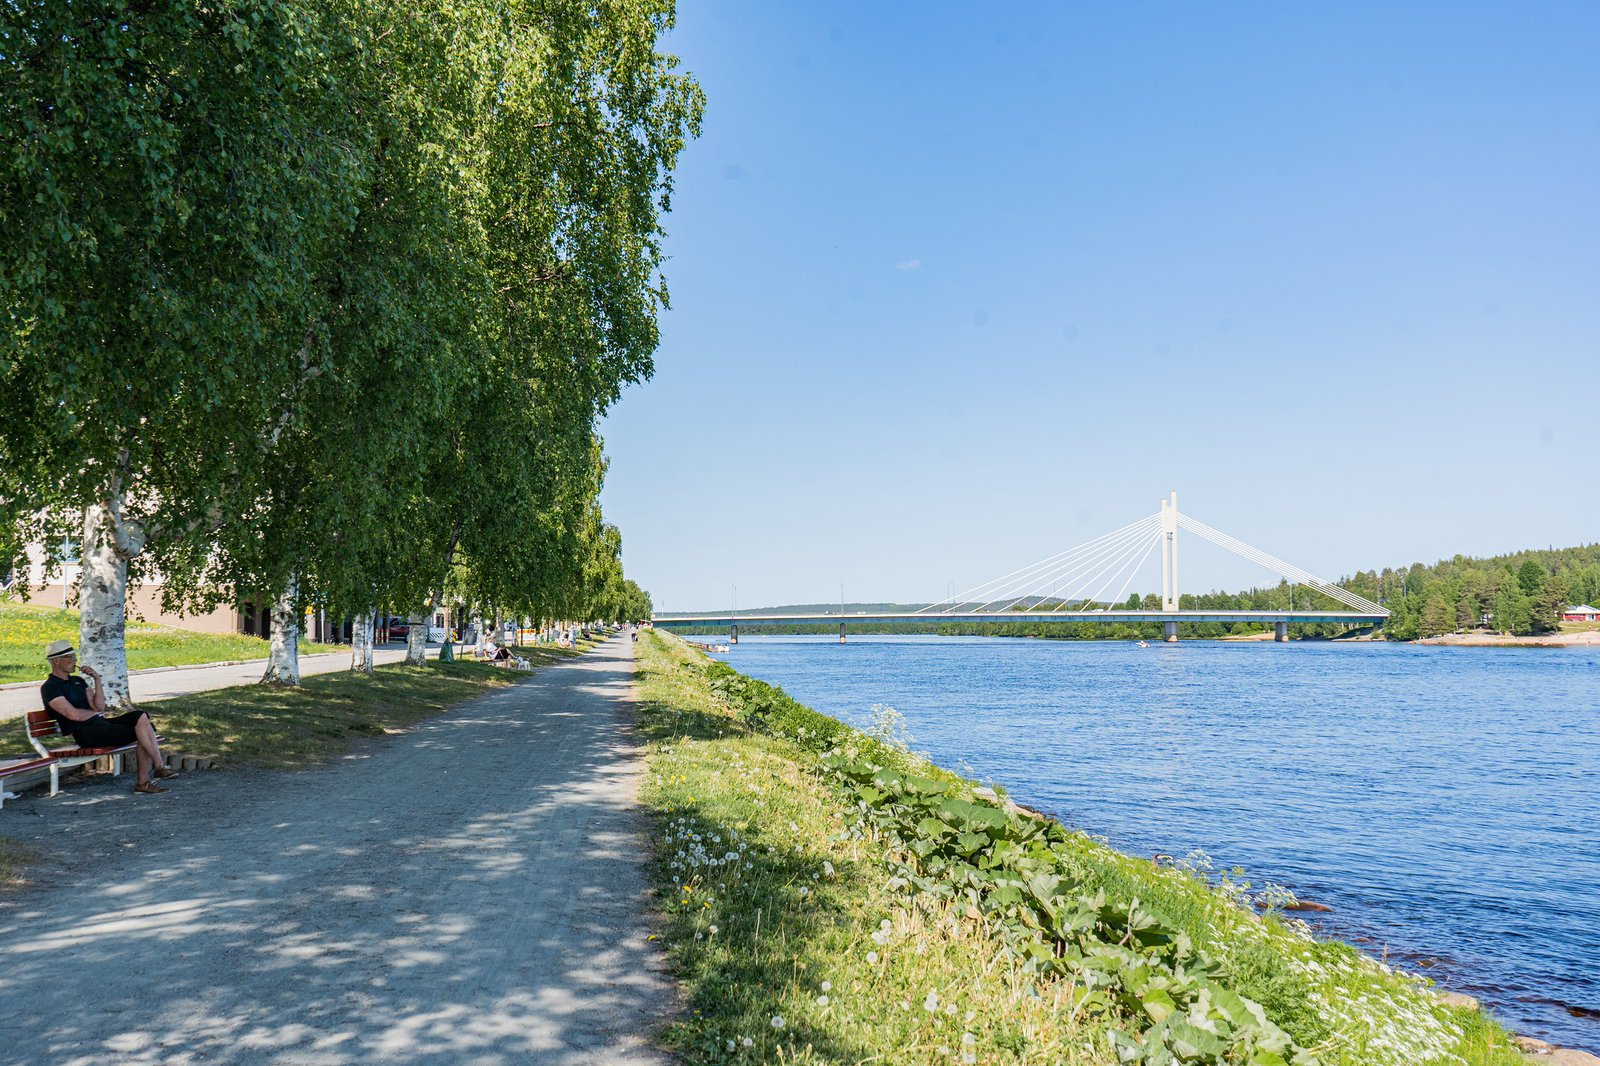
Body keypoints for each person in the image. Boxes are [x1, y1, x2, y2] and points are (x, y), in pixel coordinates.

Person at [40, 639, 177, 795]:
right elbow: (73, 714)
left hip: (101, 725)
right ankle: (144, 781)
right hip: (86, 734)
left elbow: (99, 707)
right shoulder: (50, 688)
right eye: (69, 657)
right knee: (144, 732)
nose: (74, 660)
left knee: (140, 716)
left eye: (74, 656)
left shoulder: (78, 681)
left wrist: (97, 679)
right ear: (56, 661)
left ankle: (158, 767)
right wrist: (93, 714)